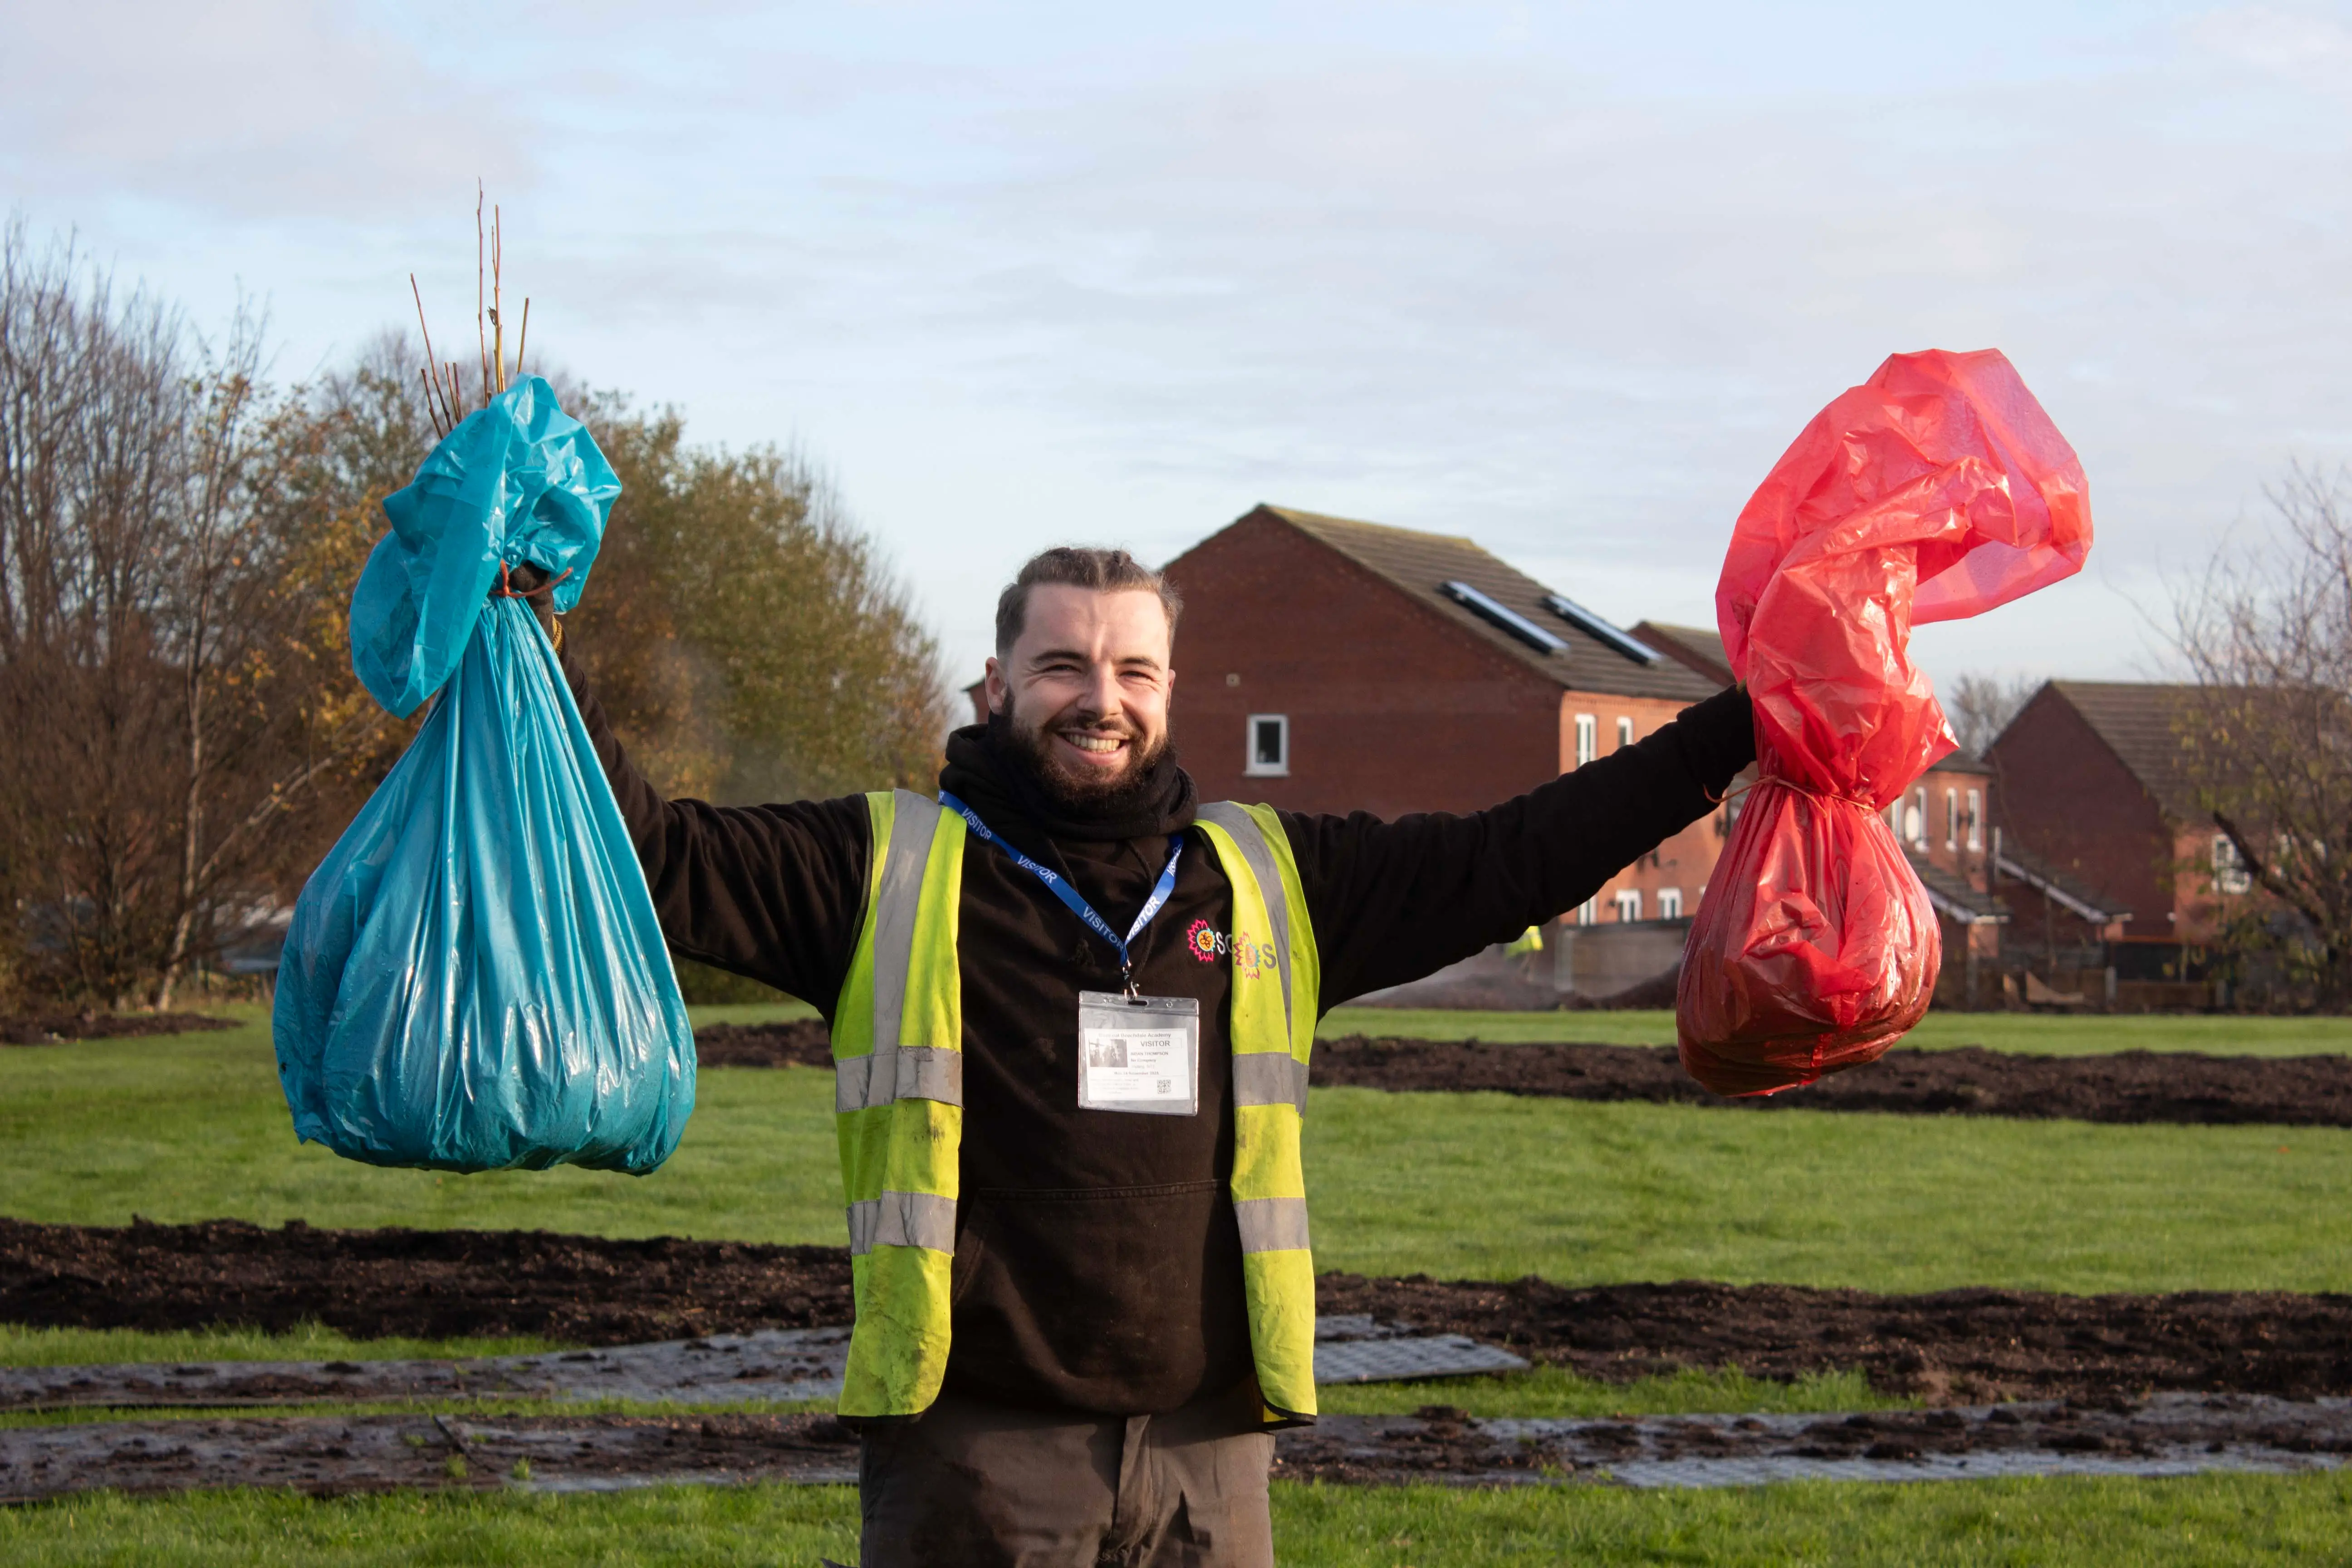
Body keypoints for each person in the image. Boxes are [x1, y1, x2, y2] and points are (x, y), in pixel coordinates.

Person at [531, 546, 1754, 1567]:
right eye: (1061, 664)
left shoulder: (1265, 877)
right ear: (995, 686)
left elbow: (1511, 857)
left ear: (1171, 691)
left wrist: (1734, 731)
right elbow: (648, 848)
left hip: (1209, 1461)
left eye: (1131, 668)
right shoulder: (882, 868)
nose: (1097, 696)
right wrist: (532, 635)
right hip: (978, 1460)